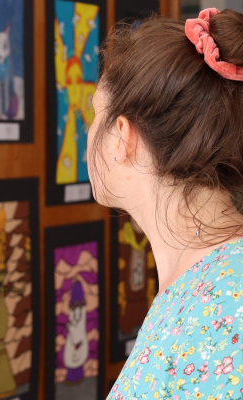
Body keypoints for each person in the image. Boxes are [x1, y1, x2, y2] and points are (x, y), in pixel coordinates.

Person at [88, 8, 243, 399]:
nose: (88, 132)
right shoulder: (209, 284)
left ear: (122, 136)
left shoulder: (222, 301)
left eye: (94, 113)